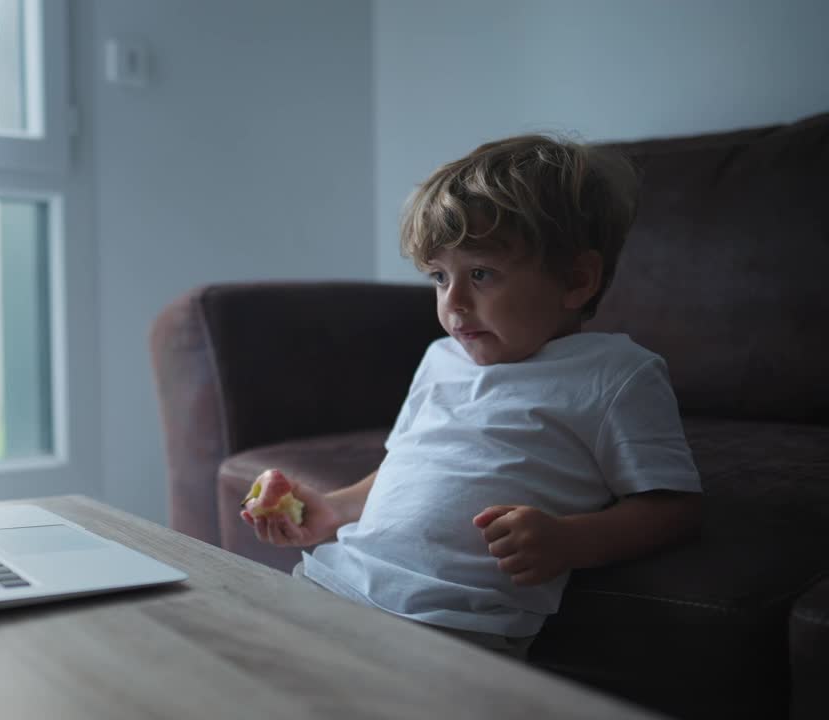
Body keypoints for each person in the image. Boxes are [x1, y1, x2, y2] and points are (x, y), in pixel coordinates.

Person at [240, 134, 703, 660]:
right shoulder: (441, 358)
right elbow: (407, 463)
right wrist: (330, 509)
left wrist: (572, 540)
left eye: (480, 274)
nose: (452, 303)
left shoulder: (616, 373)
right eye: (439, 277)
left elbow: (675, 510)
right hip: (335, 583)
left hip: (450, 623)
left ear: (576, 280)